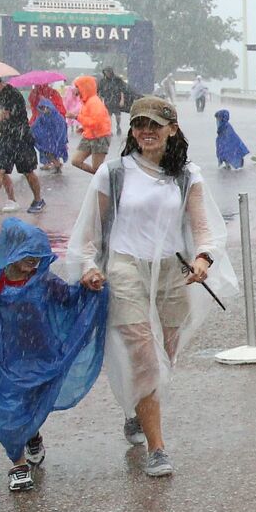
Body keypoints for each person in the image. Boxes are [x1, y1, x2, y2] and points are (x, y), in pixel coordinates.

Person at [62, 96, 229, 479]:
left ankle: (135, 408)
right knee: (144, 356)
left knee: (166, 354)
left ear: (173, 129)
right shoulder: (113, 172)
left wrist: (204, 258)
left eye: (155, 124)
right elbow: (91, 230)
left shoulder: (188, 174)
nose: (146, 132)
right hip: (124, 265)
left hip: (174, 268)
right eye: (139, 124)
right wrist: (88, 266)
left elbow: (203, 226)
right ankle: (157, 448)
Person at [0, 217, 110, 493]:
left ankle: (31, 433)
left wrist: (88, 287)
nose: (34, 262)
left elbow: (69, 299)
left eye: (38, 257)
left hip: (40, 356)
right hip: (5, 359)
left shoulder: (45, 281)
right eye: (29, 256)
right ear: (13, 251)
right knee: (5, 406)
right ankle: (18, 463)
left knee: (31, 402)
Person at [0, 80, 42, 215]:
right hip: (4, 137)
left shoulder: (13, 94)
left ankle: (38, 199)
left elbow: (3, 115)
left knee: (28, 171)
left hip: (20, 137)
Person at [69, 73, 114, 176]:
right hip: (89, 136)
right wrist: (84, 128)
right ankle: (102, 177)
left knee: (97, 168)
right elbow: (91, 120)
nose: (74, 89)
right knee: (76, 161)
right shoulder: (86, 101)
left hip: (100, 137)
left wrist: (76, 117)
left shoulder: (94, 102)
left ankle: (104, 180)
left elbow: (96, 123)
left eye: (77, 87)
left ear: (84, 87)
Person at [32, 94, 71, 175]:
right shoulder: (42, 116)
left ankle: (57, 166)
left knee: (53, 153)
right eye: (42, 108)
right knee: (49, 153)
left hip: (55, 139)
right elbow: (35, 126)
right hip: (47, 140)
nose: (44, 109)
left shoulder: (57, 116)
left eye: (46, 107)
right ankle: (57, 165)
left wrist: (60, 139)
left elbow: (62, 128)